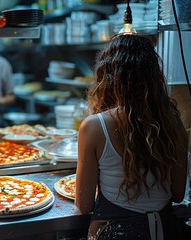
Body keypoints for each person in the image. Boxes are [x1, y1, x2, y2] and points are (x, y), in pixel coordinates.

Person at [75, 34, 188, 239]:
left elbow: (84, 205)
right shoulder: (173, 121)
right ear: (153, 76)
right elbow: (178, 194)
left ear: (107, 77)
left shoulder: (94, 127)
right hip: (167, 230)